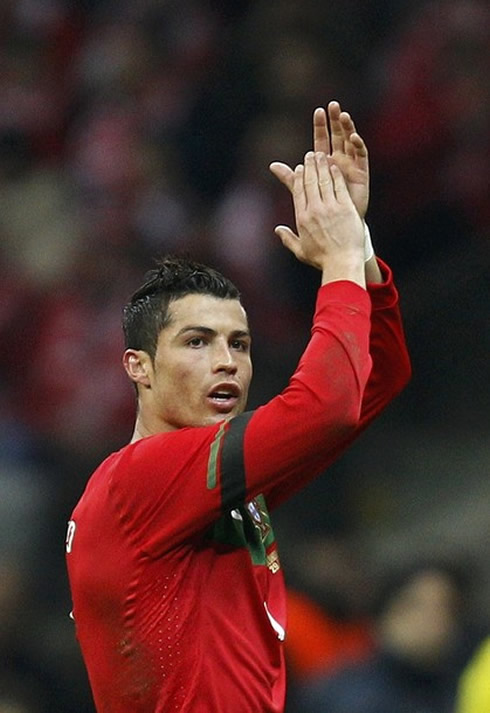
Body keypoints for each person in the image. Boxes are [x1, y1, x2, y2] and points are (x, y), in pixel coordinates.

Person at [65, 101, 411, 713]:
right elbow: (327, 407)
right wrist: (333, 265)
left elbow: (370, 383)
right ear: (137, 368)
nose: (228, 361)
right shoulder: (140, 481)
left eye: (239, 344)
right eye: (197, 342)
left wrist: (356, 248)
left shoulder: (218, 490)